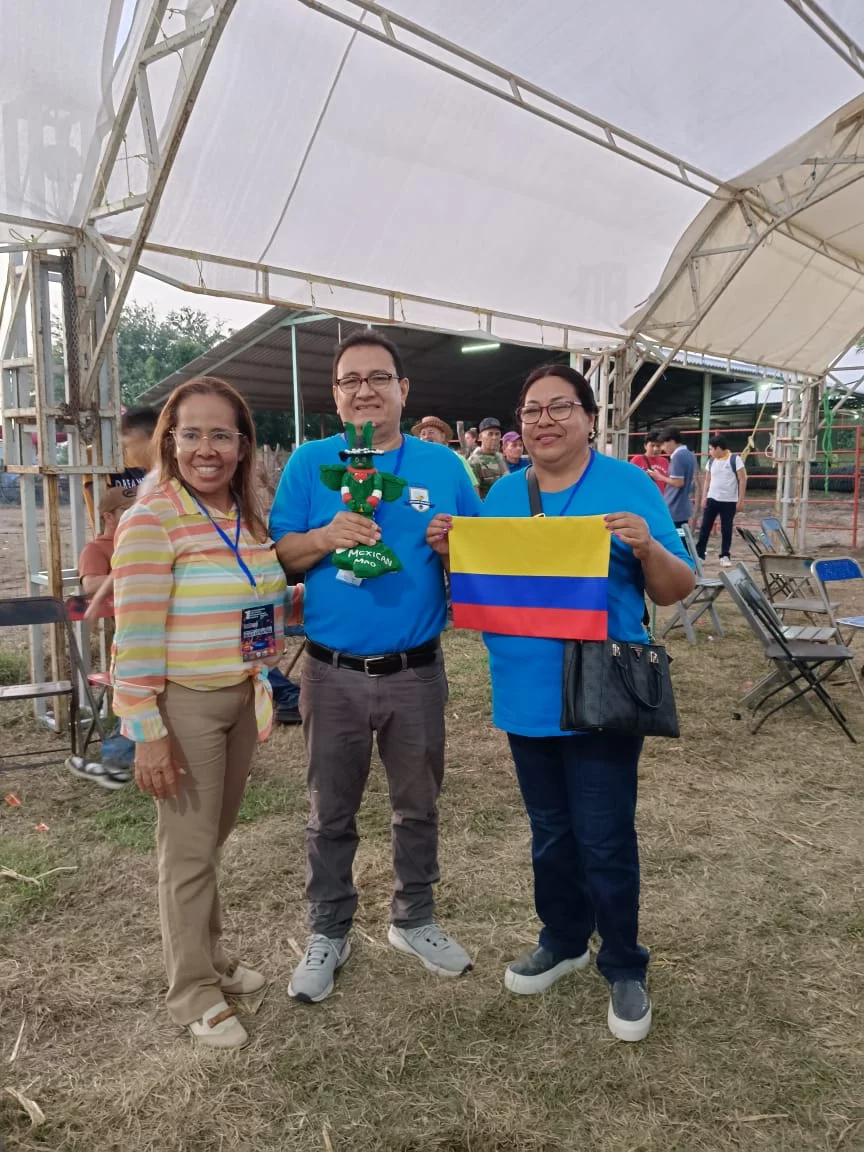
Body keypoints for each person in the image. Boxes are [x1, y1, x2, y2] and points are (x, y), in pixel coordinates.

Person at [426, 364, 694, 1042]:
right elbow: (491, 588)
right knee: (550, 832)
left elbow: (676, 586)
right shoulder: (504, 494)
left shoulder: (628, 485)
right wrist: (452, 550)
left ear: (588, 418)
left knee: (604, 836)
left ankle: (624, 963)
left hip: (601, 690)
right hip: (524, 693)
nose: (543, 420)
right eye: (531, 409)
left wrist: (642, 543)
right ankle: (565, 937)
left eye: (559, 408)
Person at [269, 330, 482, 1004]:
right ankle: (329, 931)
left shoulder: (445, 467)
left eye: (378, 377)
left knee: (417, 805)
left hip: (416, 671)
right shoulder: (310, 464)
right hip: (330, 674)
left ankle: (414, 917)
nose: (365, 389)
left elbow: (477, 569)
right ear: (335, 395)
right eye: (351, 379)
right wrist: (325, 537)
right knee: (330, 812)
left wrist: (456, 550)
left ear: (402, 390)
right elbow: (280, 555)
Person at [112, 376, 288, 1050]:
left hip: (242, 698)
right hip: (183, 706)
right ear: (170, 442)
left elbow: (251, 600)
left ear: (243, 447)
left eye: (221, 434)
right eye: (192, 434)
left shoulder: (240, 519)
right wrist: (148, 735)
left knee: (207, 845)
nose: (206, 448)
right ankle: (192, 991)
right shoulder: (151, 519)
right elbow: (134, 637)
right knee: (186, 854)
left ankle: (212, 960)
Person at [695, 435, 746, 567]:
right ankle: (700, 554)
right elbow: (707, 479)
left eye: (711, 449)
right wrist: (704, 497)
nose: (710, 451)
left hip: (729, 501)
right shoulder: (711, 461)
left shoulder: (735, 459)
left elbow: (742, 479)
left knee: (726, 528)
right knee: (705, 527)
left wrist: (740, 500)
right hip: (712, 499)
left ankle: (725, 555)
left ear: (718, 448)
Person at [78, 485, 135, 595]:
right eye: (128, 510)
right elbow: (90, 584)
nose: (137, 514)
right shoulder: (95, 549)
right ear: (109, 517)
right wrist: (137, 575)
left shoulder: (144, 542)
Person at [412, 415, 479, 491]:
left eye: (431, 432)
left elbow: (473, 489)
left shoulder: (457, 459)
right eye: (423, 434)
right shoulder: (416, 462)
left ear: (442, 436)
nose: (426, 437)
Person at [654, 427, 696, 528]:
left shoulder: (678, 456)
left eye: (663, 444)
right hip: (682, 507)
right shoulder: (689, 454)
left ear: (672, 441)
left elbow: (678, 482)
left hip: (675, 506)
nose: (663, 449)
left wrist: (660, 477)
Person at [468, 417, 508, 497]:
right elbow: (474, 495)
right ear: (480, 437)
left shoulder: (500, 456)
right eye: (490, 434)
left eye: (497, 434)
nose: (494, 437)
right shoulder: (474, 461)